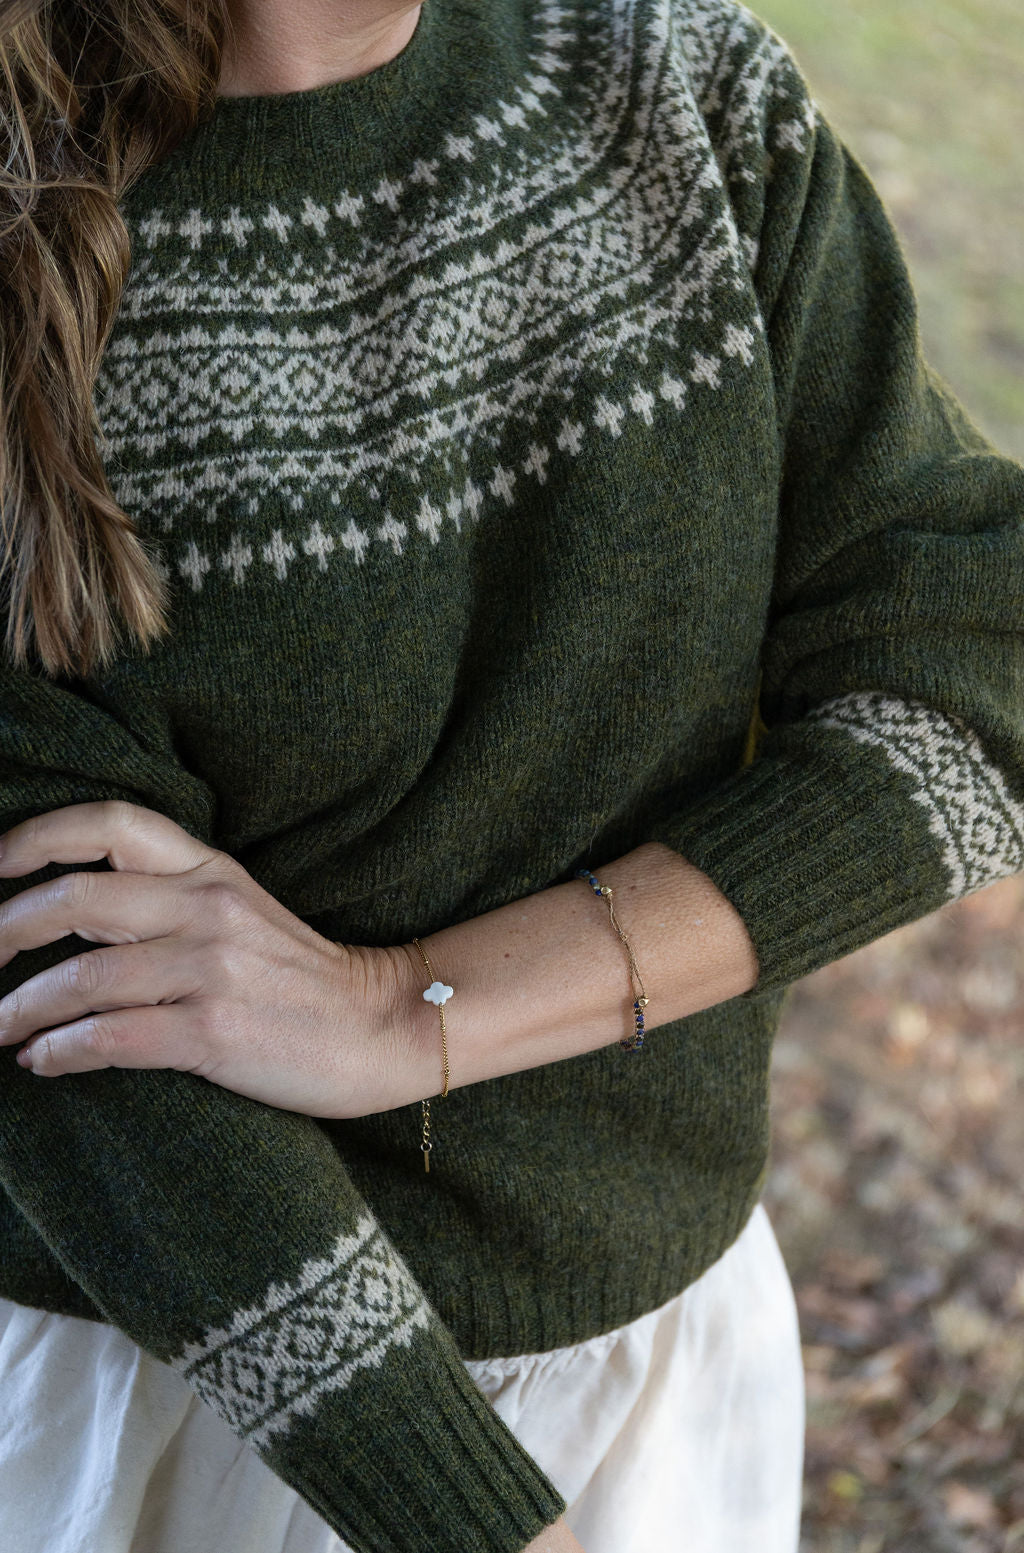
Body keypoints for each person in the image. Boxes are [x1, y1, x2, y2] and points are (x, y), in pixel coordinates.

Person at [0, 0, 1021, 1549]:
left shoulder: (682, 97)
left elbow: (981, 672)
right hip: (193, 1425)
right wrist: (478, 1522)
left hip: (665, 1363)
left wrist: (402, 1008)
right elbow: (62, 1005)